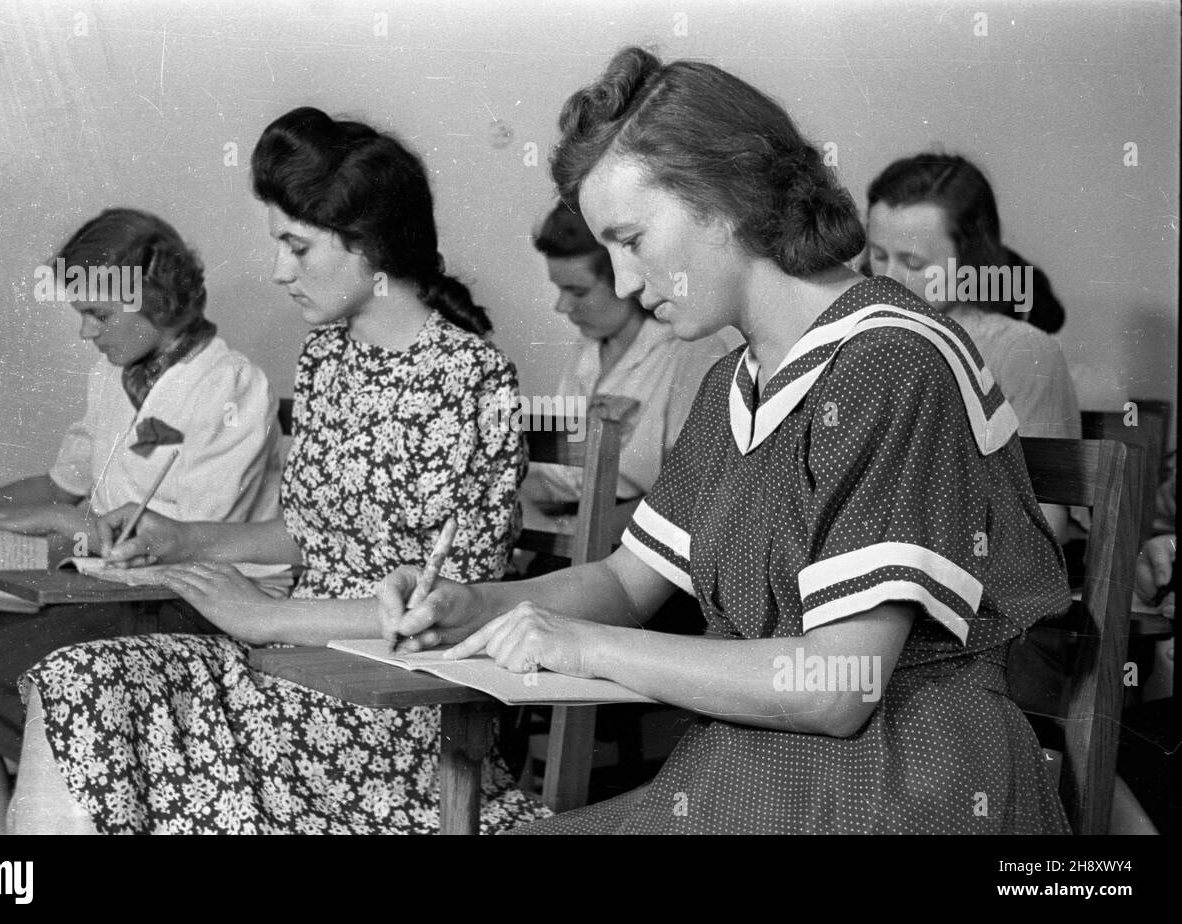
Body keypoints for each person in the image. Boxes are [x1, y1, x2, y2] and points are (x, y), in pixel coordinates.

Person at [379, 48, 1073, 834]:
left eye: (632, 239)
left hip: (900, 783)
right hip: (755, 774)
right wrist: (475, 607)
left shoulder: (891, 360)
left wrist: (582, 647)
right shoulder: (734, 383)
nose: (628, 283)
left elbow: (836, 688)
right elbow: (619, 585)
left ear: (725, 200)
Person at [6, 107, 550, 834]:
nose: (276, 271)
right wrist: (184, 539)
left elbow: (451, 610)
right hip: (292, 667)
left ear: (369, 245)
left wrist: (263, 618)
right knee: (77, 679)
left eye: (296, 246)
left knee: (104, 703)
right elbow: (307, 533)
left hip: (393, 711)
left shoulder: (469, 377)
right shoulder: (327, 357)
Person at [0, 208, 282, 834]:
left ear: (159, 298)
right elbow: (64, 484)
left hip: (185, 606)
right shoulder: (112, 377)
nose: (84, 334)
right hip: (102, 592)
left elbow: (187, 540)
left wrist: (65, 527)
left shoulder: (229, 385)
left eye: (98, 315)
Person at [863, 153, 1081, 543]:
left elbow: (1044, 525)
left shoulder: (1021, 351)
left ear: (969, 260)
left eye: (913, 262)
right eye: (878, 256)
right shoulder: (860, 341)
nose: (888, 278)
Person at [522, 199, 739, 518]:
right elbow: (562, 479)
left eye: (578, 291)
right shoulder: (587, 350)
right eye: (559, 289)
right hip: (559, 519)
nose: (562, 306)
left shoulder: (691, 353)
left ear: (624, 280)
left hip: (629, 536)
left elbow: (694, 494)